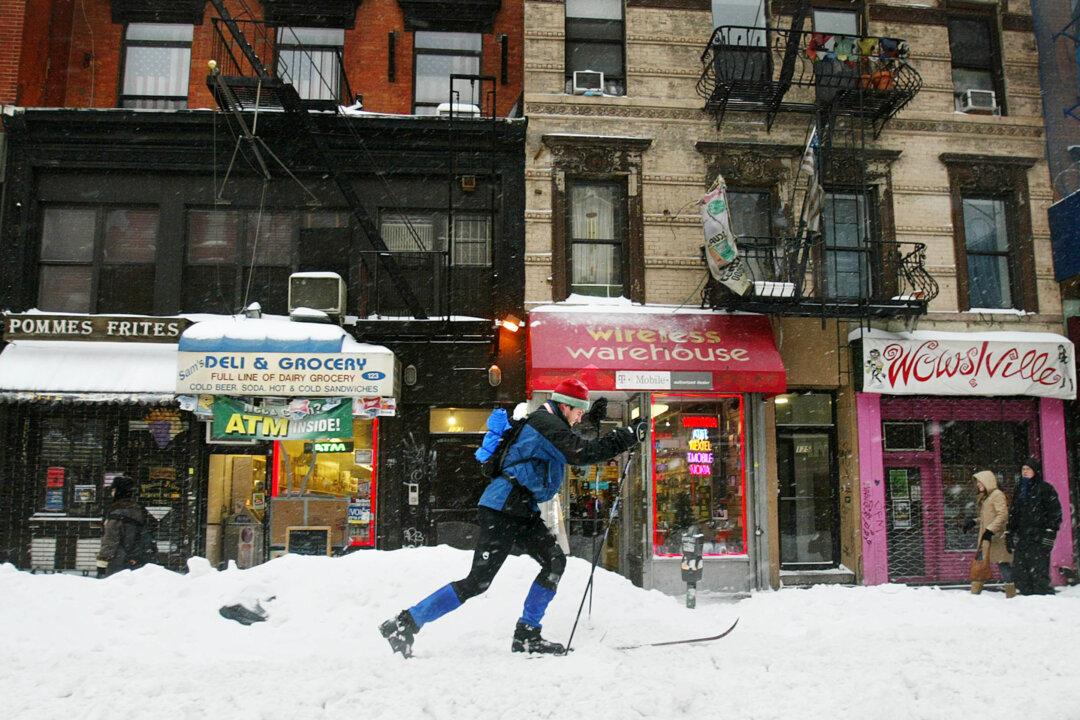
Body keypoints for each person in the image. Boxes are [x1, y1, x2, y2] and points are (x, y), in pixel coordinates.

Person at [379, 379, 644, 657]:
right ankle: (404, 623)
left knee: (554, 561)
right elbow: (581, 451)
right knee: (477, 582)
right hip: (503, 509)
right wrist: (625, 436)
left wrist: (591, 420)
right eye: (578, 412)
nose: (579, 418)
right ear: (565, 406)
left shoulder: (549, 421)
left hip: (520, 509)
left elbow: (566, 440)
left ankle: (527, 636)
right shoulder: (544, 424)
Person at [1007, 457, 1062, 596]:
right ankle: (1027, 600)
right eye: (1023, 469)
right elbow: (1014, 513)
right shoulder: (1020, 489)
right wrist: (1009, 532)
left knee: (1039, 572)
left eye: (1028, 469)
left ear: (1035, 471)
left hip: (1040, 537)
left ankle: (1041, 600)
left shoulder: (1045, 488)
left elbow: (1055, 513)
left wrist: (1050, 534)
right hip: (1023, 537)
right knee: (1021, 571)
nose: (1025, 472)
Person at [95, 475, 158, 577]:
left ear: (118, 491)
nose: (111, 492)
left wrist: (102, 562)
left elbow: (110, 540)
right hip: (138, 560)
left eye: (113, 489)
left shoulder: (117, 512)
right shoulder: (139, 510)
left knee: (115, 589)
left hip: (119, 562)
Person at [970, 470, 1014, 598]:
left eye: (980, 481)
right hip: (987, 537)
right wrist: (974, 521)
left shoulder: (997, 494)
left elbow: (1002, 515)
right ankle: (974, 594)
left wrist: (990, 530)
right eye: (977, 482)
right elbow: (988, 517)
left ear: (987, 481)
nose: (978, 484)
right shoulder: (987, 496)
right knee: (980, 564)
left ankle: (1011, 595)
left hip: (996, 537)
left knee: (1003, 565)